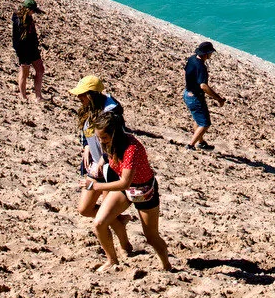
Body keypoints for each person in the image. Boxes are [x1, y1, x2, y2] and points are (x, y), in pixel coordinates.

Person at [85, 116, 174, 273]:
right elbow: (123, 181)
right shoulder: (110, 144)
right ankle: (112, 260)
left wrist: (97, 186)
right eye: (99, 138)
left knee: (151, 237)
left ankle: (166, 265)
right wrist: (101, 160)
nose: (101, 141)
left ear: (114, 134)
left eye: (104, 137)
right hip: (126, 190)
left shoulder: (131, 148)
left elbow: (125, 182)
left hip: (144, 191)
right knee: (99, 223)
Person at [70, 77, 131, 253]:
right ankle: (120, 220)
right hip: (95, 166)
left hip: (108, 168)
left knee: (106, 216)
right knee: (84, 209)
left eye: (81, 95)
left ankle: (125, 246)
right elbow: (87, 133)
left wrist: (104, 158)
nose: (78, 98)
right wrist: (86, 147)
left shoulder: (111, 113)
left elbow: (118, 140)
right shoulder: (88, 109)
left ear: (91, 95)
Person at [183, 41, 226, 150]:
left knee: (198, 120)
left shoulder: (192, 59)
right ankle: (190, 145)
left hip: (187, 93)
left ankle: (201, 142)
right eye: (210, 52)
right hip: (195, 97)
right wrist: (219, 99)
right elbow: (203, 86)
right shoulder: (201, 67)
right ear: (206, 54)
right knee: (205, 123)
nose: (211, 55)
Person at [12, 0, 44, 97]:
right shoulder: (19, 21)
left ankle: (38, 96)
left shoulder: (28, 18)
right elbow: (18, 39)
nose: (34, 12)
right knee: (24, 72)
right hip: (24, 50)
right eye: (33, 10)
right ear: (28, 9)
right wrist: (19, 51)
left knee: (40, 69)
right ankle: (23, 96)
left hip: (32, 48)